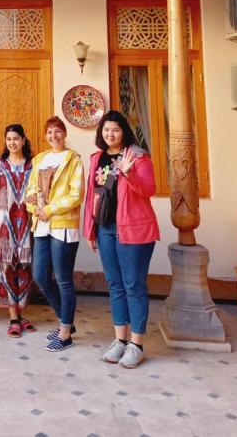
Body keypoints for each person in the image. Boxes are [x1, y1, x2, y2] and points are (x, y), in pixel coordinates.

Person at [83, 110, 159, 369]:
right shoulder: (97, 158)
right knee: (115, 285)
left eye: (115, 130)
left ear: (123, 131)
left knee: (133, 286)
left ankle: (136, 344)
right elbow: (92, 197)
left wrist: (129, 173)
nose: (110, 134)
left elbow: (149, 190)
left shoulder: (138, 156)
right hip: (105, 228)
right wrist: (91, 230)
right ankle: (120, 340)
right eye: (106, 130)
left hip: (134, 229)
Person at [26, 116, 85, 352]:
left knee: (63, 280)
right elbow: (31, 191)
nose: (53, 136)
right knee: (40, 276)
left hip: (62, 225)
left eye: (57, 131)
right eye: (49, 132)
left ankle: (65, 332)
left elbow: (76, 194)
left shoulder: (74, 159)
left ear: (65, 133)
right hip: (41, 225)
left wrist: (48, 209)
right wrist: (33, 206)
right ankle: (66, 322)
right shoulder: (40, 159)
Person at [0, 124, 34, 337]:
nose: (12, 142)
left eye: (16, 138)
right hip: (4, 224)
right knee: (6, 268)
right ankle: (13, 317)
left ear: (23, 140)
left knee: (24, 267)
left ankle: (21, 312)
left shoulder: (32, 165)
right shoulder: (0, 165)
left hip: (26, 224)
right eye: (8, 139)